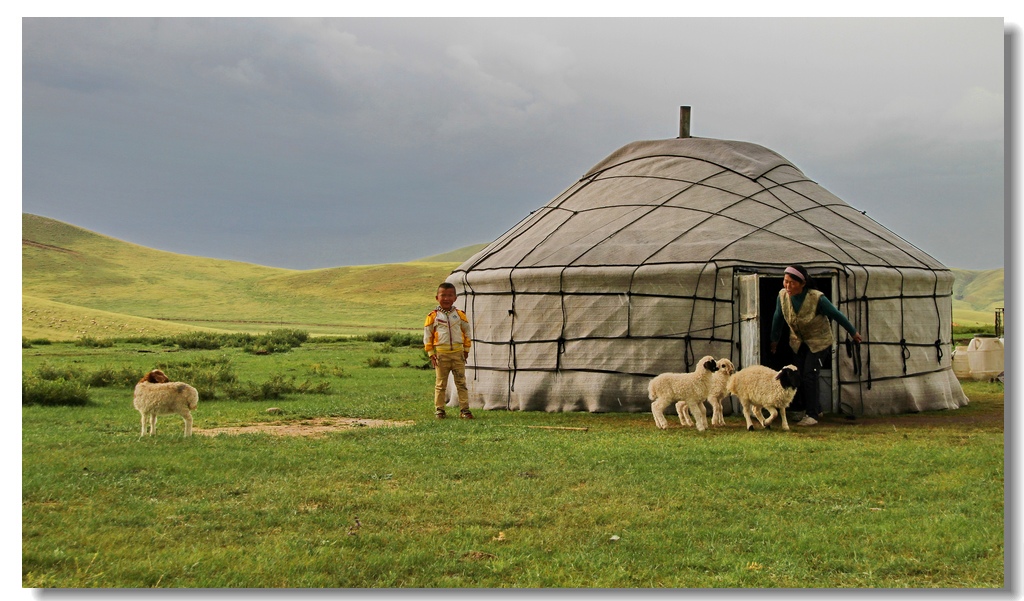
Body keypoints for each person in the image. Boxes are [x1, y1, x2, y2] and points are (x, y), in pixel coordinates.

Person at [770, 265, 862, 426]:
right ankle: (810, 408)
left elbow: (836, 314)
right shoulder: (782, 296)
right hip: (798, 341)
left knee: (809, 375)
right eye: (785, 282)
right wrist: (774, 340)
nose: (788, 286)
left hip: (819, 342)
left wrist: (853, 333)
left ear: (802, 283)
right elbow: (778, 318)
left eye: (792, 283)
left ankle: (812, 415)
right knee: (796, 375)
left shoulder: (817, 298)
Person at [423, 282, 473, 419]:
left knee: (461, 383)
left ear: (455, 298)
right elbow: (427, 335)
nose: (446, 298)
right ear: (437, 297)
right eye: (443, 295)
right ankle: (439, 410)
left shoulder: (460, 315)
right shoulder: (432, 316)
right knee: (440, 384)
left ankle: (465, 410)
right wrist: (431, 353)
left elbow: (467, 332)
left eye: (450, 295)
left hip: (458, 353)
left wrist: (466, 349)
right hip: (441, 354)